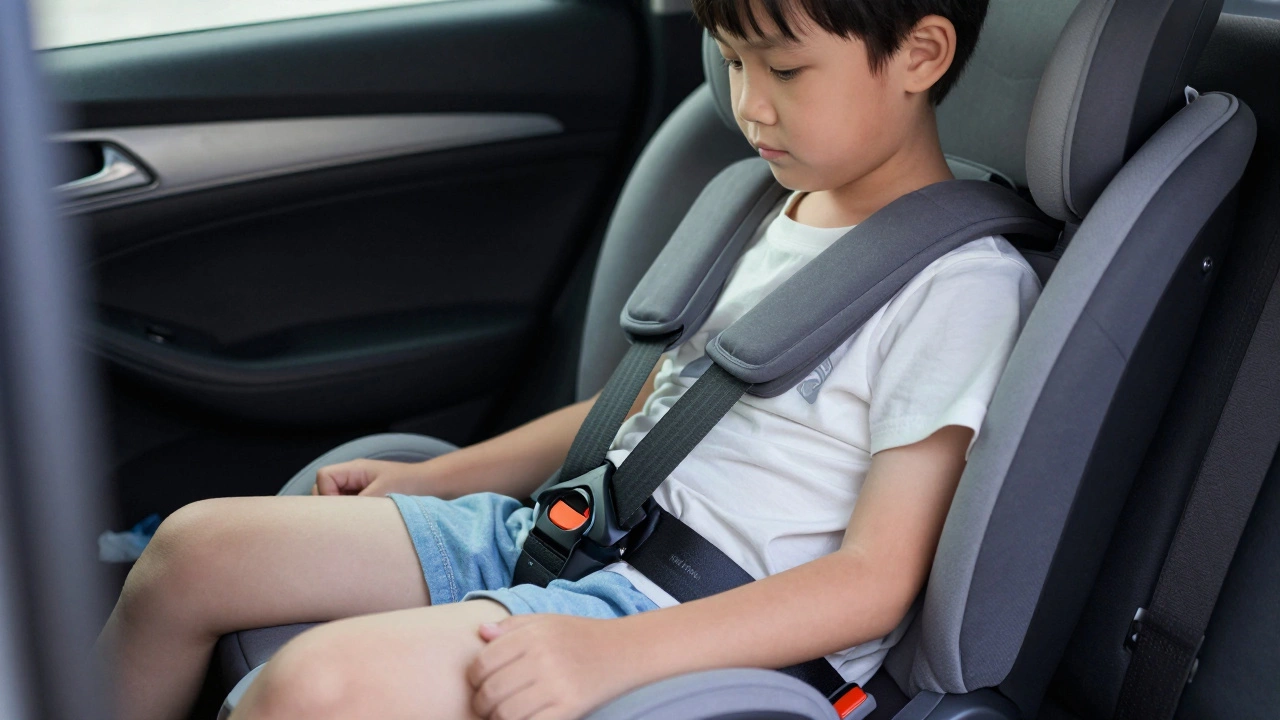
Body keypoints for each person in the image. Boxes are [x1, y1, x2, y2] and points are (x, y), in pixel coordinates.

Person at [96, 0, 1043, 718]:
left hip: (690, 621)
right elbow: (640, 409)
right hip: (570, 534)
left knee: (311, 688)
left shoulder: (957, 286)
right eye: (734, 58)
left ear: (919, 53)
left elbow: (876, 579)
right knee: (192, 551)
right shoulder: (768, 206)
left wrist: (611, 657)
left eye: (786, 70)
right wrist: (443, 479)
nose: (749, 104)